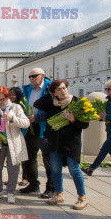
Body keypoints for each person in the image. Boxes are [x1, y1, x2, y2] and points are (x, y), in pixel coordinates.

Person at [34, 80, 89, 209]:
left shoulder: (77, 102)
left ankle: (82, 197)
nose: (63, 91)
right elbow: (37, 103)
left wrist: (73, 120)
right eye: (59, 89)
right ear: (54, 92)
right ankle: (59, 194)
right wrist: (51, 95)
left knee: (74, 170)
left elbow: (85, 124)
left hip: (71, 142)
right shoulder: (52, 104)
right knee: (55, 170)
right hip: (54, 141)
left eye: (64, 88)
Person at [0, 86, 29, 204]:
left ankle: (10, 192)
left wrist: (12, 118)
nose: (0, 102)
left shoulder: (16, 107)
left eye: (2, 99)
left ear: (7, 97)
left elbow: (26, 123)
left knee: (13, 168)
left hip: (13, 142)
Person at [82, 79, 111, 178]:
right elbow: (107, 113)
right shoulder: (110, 99)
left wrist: (107, 117)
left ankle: (91, 169)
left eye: (109, 89)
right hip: (110, 127)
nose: (106, 90)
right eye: (105, 88)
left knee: (104, 148)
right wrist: (101, 118)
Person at [20, 68, 54, 199]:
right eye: (30, 76)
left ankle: (51, 188)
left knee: (47, 159)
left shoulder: (50, 88)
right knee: (28, 157)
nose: (32, 78)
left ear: (43, 76)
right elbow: (23, 105)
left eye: (35, 76)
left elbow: (53, 108)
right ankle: (33, 184)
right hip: (29, 126)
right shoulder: (28, 89)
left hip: (45, 127)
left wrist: (38, 117)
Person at [9, 86, 26, 186]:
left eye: (13, 95)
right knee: (11, 161)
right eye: (9, 94)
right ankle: (12, 179)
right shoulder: (7, 105)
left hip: (18, 135)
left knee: (18, 159)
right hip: (10, 136)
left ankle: (24, 177)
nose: (11, 96)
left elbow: (24, 122)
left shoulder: (20, 106)